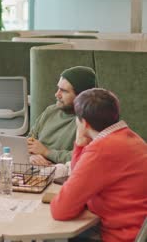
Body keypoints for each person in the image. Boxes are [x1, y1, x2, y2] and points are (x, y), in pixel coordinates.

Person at [50, 88, 147, 242]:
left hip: (121, 237)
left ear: (85, 123)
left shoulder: (101, 150)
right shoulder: (131, 137)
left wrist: (79, 141)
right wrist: (81, 144)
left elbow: (61, 209)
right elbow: (78, 180)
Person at [27, 66, 96, 165]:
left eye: (64, 91)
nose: (56, 94)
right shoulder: (51, 111)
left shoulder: (88, 122)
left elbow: (83, 156)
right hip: (35, 168)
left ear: (81, 96)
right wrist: (32, 155)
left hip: (63, 173)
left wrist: (46, 152)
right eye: (58, 88)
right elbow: (29, 139)